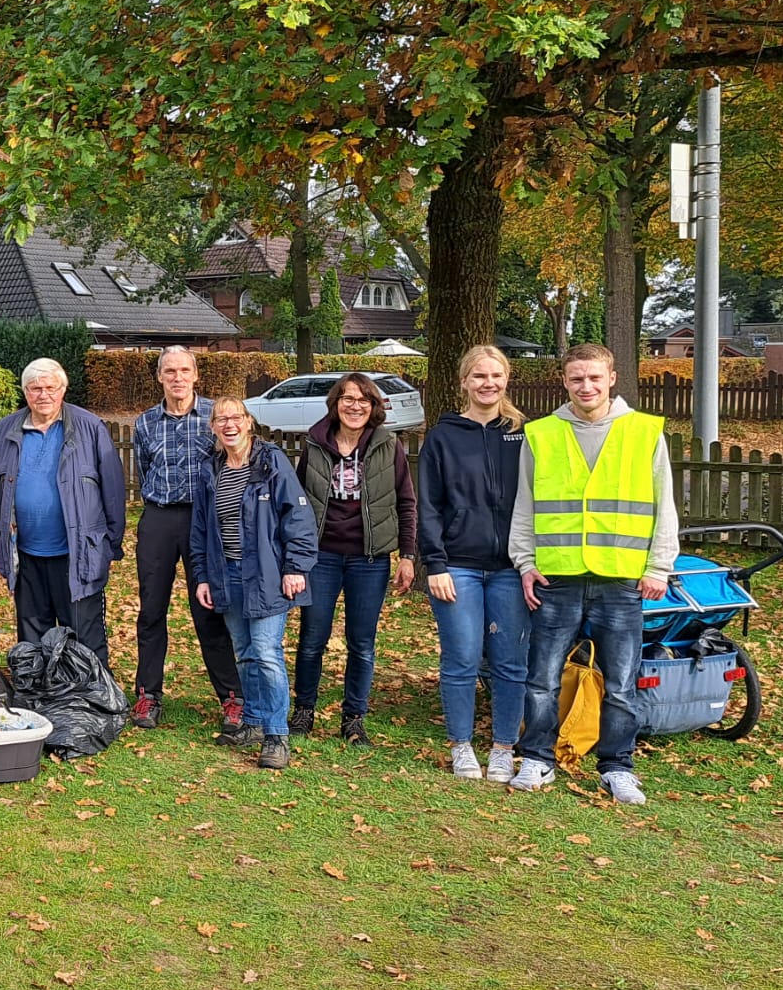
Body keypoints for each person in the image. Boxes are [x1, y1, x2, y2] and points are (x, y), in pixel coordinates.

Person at [508, 343, 679, 804]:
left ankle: (617, 767)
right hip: (556, 579)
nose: (586, 386)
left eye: (594, 378)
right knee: (541, 678)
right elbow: (525, 506)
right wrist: (525, 562)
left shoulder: (644, 432)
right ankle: (538, 760)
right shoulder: (541, 434)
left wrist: (658, 566)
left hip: (621, 580)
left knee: (621, 683)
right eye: (577, 378)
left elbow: (665, 505)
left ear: (612, 378)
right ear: (564, 381)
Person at [419, 345, 531, 783]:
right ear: (464, 381)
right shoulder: (443, 437)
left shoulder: (525, 434)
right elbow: (428, 504)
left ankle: (503, 747)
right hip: (458, 567)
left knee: (510, 661)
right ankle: (462, 745)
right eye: (479, 376)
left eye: (496, 375)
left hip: (512, 567)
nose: (488, 383)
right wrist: (435, 563)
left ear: (506, 379)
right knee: (462, 658)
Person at [290, 372, 418, 747]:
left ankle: (354, 717)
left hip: (369, 558)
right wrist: (295, 556)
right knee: (312, 638)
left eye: (363, 400)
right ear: (336, 404)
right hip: (321, 556)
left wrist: (407, 555)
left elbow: (406, 503)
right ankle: (304, 710)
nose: (355, 406)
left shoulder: (387, 445)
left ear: (373, 407)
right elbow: (297, 504)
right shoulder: (314, 445)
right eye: (348, 398)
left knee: (361, 642)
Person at [190, 396, 317, 770]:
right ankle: (255, 721)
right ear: (212, 427)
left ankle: (277, 734)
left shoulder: (270, 462)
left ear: (249, 422)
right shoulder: (209, 468)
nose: (229, 425)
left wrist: (296, 567)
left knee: (266, 652)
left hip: (266, 574)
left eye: (236, 418)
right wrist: (202, 576)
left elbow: (297, 516)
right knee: (244, 652)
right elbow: (200, 529)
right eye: (221, 419)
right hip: (226, 573)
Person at [127, 348, 245, 735]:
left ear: (196, 376)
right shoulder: (144, 423)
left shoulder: (213, 417)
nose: (177, 378)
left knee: (208, 610)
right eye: (169, 372)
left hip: (202, 520)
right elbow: (144, 468)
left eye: (184, 371)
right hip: (160, 518)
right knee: (151, 611)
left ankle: (232, 697)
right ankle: (148, 694)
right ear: (159, 377)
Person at [0, 358, 127, 663]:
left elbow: (112, 491)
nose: (43, 395)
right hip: (26, 555)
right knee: (33, 639)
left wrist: (110, 544)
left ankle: (91, 703)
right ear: (25, 392)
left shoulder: (90, 428)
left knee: (84, 637)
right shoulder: (5, 431)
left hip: (77, 554)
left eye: (50, 388)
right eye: (35, 388)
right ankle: (38, 700)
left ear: (63, 389)